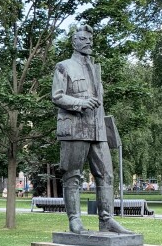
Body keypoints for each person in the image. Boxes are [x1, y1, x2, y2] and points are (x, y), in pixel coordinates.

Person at [52, 25, 132, 235]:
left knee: (106, 174)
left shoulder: (96, 69)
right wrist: (81, 102)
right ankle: (75, 220)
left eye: (90, 39)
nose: (88, 42)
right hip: (76, 127)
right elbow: (57, 96)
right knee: (73, 175)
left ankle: (106, 220)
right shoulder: (64, 66)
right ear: (74, 42)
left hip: (98, 129)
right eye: (83, 39)